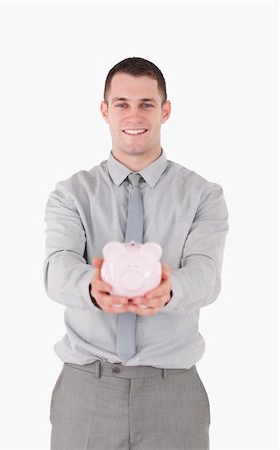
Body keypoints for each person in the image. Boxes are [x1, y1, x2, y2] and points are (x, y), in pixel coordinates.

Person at [43, 56, 229, 450]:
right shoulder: (71, 194)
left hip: (172, 391)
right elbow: (56, 268)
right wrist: (91, 287)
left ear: (165, 111)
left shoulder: (203, 195)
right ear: (105, 110)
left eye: (146, 103)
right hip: (86, 391)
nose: (134, 115)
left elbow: (206, 274)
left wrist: (169, 288)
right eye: (122, 103)